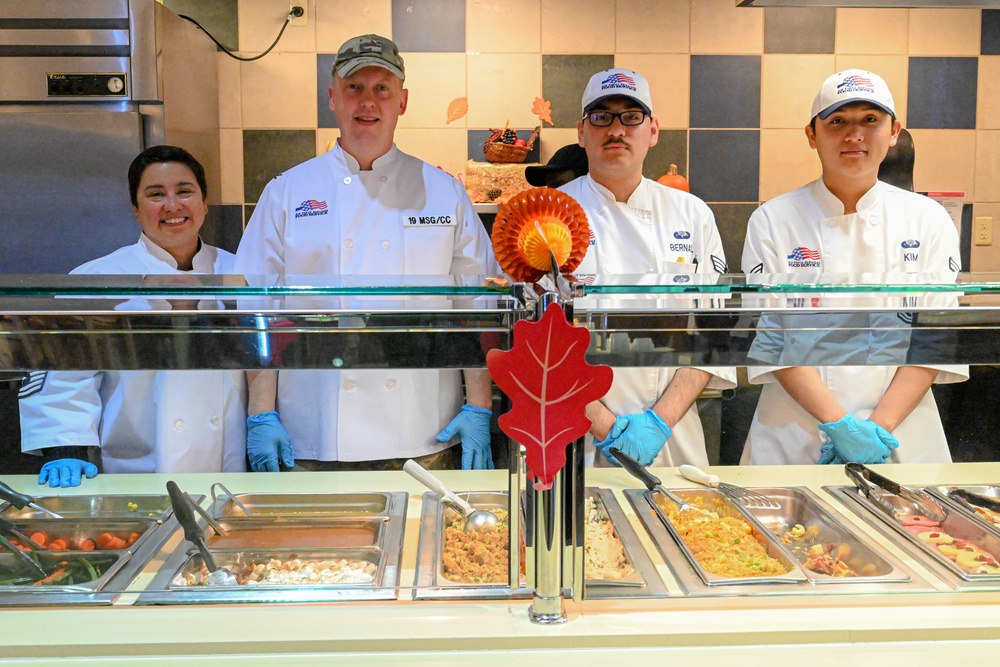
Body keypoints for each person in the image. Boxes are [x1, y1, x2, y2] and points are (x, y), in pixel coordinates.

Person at [233, 34, 496, 472]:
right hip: (312, 432)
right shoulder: (287, 192)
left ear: (402, 101)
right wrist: (261, 412)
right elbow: (256, 308)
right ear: (332, 97)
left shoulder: (444, 193)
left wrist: (479, 405)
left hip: (426, 429)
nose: (367, 102)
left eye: (382, 89)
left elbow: (478, 307)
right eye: (354, 87)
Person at [741, 69, 966, 465]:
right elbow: (771, 337)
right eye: (838, 121)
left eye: (870, 120)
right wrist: (839, 424)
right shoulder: (773, 219)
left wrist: (878, 428)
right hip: (795, 433)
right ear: (812, 135)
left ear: (894, 130)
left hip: (900, 434)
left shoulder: (928, 219)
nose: (854, 135)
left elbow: (935, 337)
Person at [19, 145, 248, 487]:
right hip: (133, 474)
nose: (173, 206)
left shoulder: (239, 274)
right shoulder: (97, 279)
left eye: (184, 191)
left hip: (227, 473)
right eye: (156, 194)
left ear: (204, 202)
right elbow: (65, 377)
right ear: (136, 209)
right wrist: (65, 447)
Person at [558, 67, 734, 468]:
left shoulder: (693, 215)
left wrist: (659, 420)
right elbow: (535, 342)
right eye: (601, 116)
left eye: (631, 116)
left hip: (670, 430)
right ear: (582, 133)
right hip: (576, 432)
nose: (616, 129)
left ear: (653, 131)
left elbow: (712, 332)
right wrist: (602, 422)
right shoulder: (550, 214)